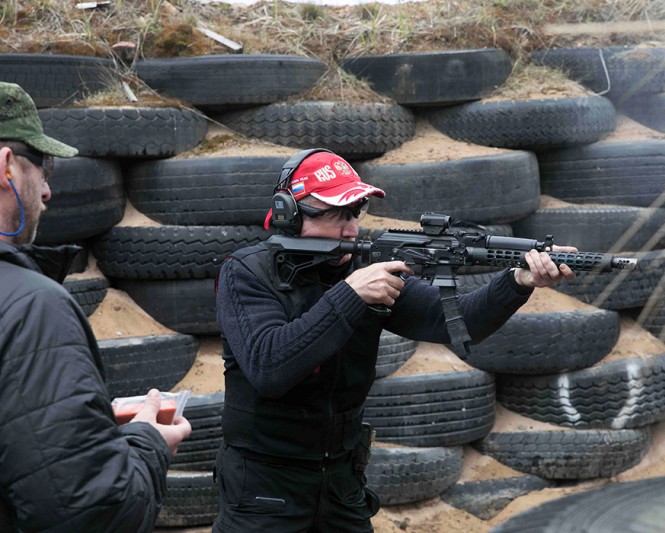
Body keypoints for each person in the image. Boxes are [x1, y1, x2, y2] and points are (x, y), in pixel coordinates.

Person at [213, 148, 577, 532]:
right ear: (289, 212)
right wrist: (349, 295)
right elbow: (269, 367)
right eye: (336, 214)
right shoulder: (248, 273)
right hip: (262, 488)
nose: (351, 228)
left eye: (355, 213)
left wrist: (518, 281)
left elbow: (454, 321)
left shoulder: (364, 269)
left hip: (341, 483)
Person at [0, 82, 192, 532]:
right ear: (6, 166)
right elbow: (87, 513)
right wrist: (147, 445)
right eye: (43, 168)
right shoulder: (31, 306)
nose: (46, 191)